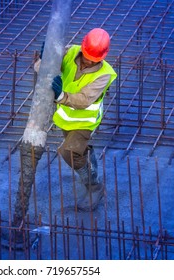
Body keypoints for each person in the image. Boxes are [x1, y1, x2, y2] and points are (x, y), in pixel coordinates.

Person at [37, 28, 117, 211]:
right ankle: (87, 156)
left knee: (69, 152)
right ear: (82, 48)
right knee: (77, 152)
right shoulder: (70, 51)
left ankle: (95, 187)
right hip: (67, 118)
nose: (89, 61)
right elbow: (40, 69)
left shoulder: (104, 74)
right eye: (87, 56)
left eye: (94, 60)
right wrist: (46, 61)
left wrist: (60, 96)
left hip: (85, 122)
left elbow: (84, 99)